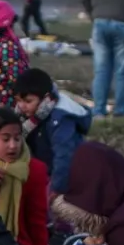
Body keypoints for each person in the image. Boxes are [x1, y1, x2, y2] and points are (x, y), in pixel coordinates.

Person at [0, 108, 50, 245]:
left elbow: (37, 220)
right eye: (5, 139)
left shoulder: (33, 170)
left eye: (17, 139)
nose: (13, 146)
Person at [12, 68, 91, 196]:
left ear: (46, 98)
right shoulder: (27, 116)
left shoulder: (60, 119)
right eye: (18, 100)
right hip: (45, 172)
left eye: (28, 101)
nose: (21, 106)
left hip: (68, 179)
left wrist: (56, 190)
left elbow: (64, 158)